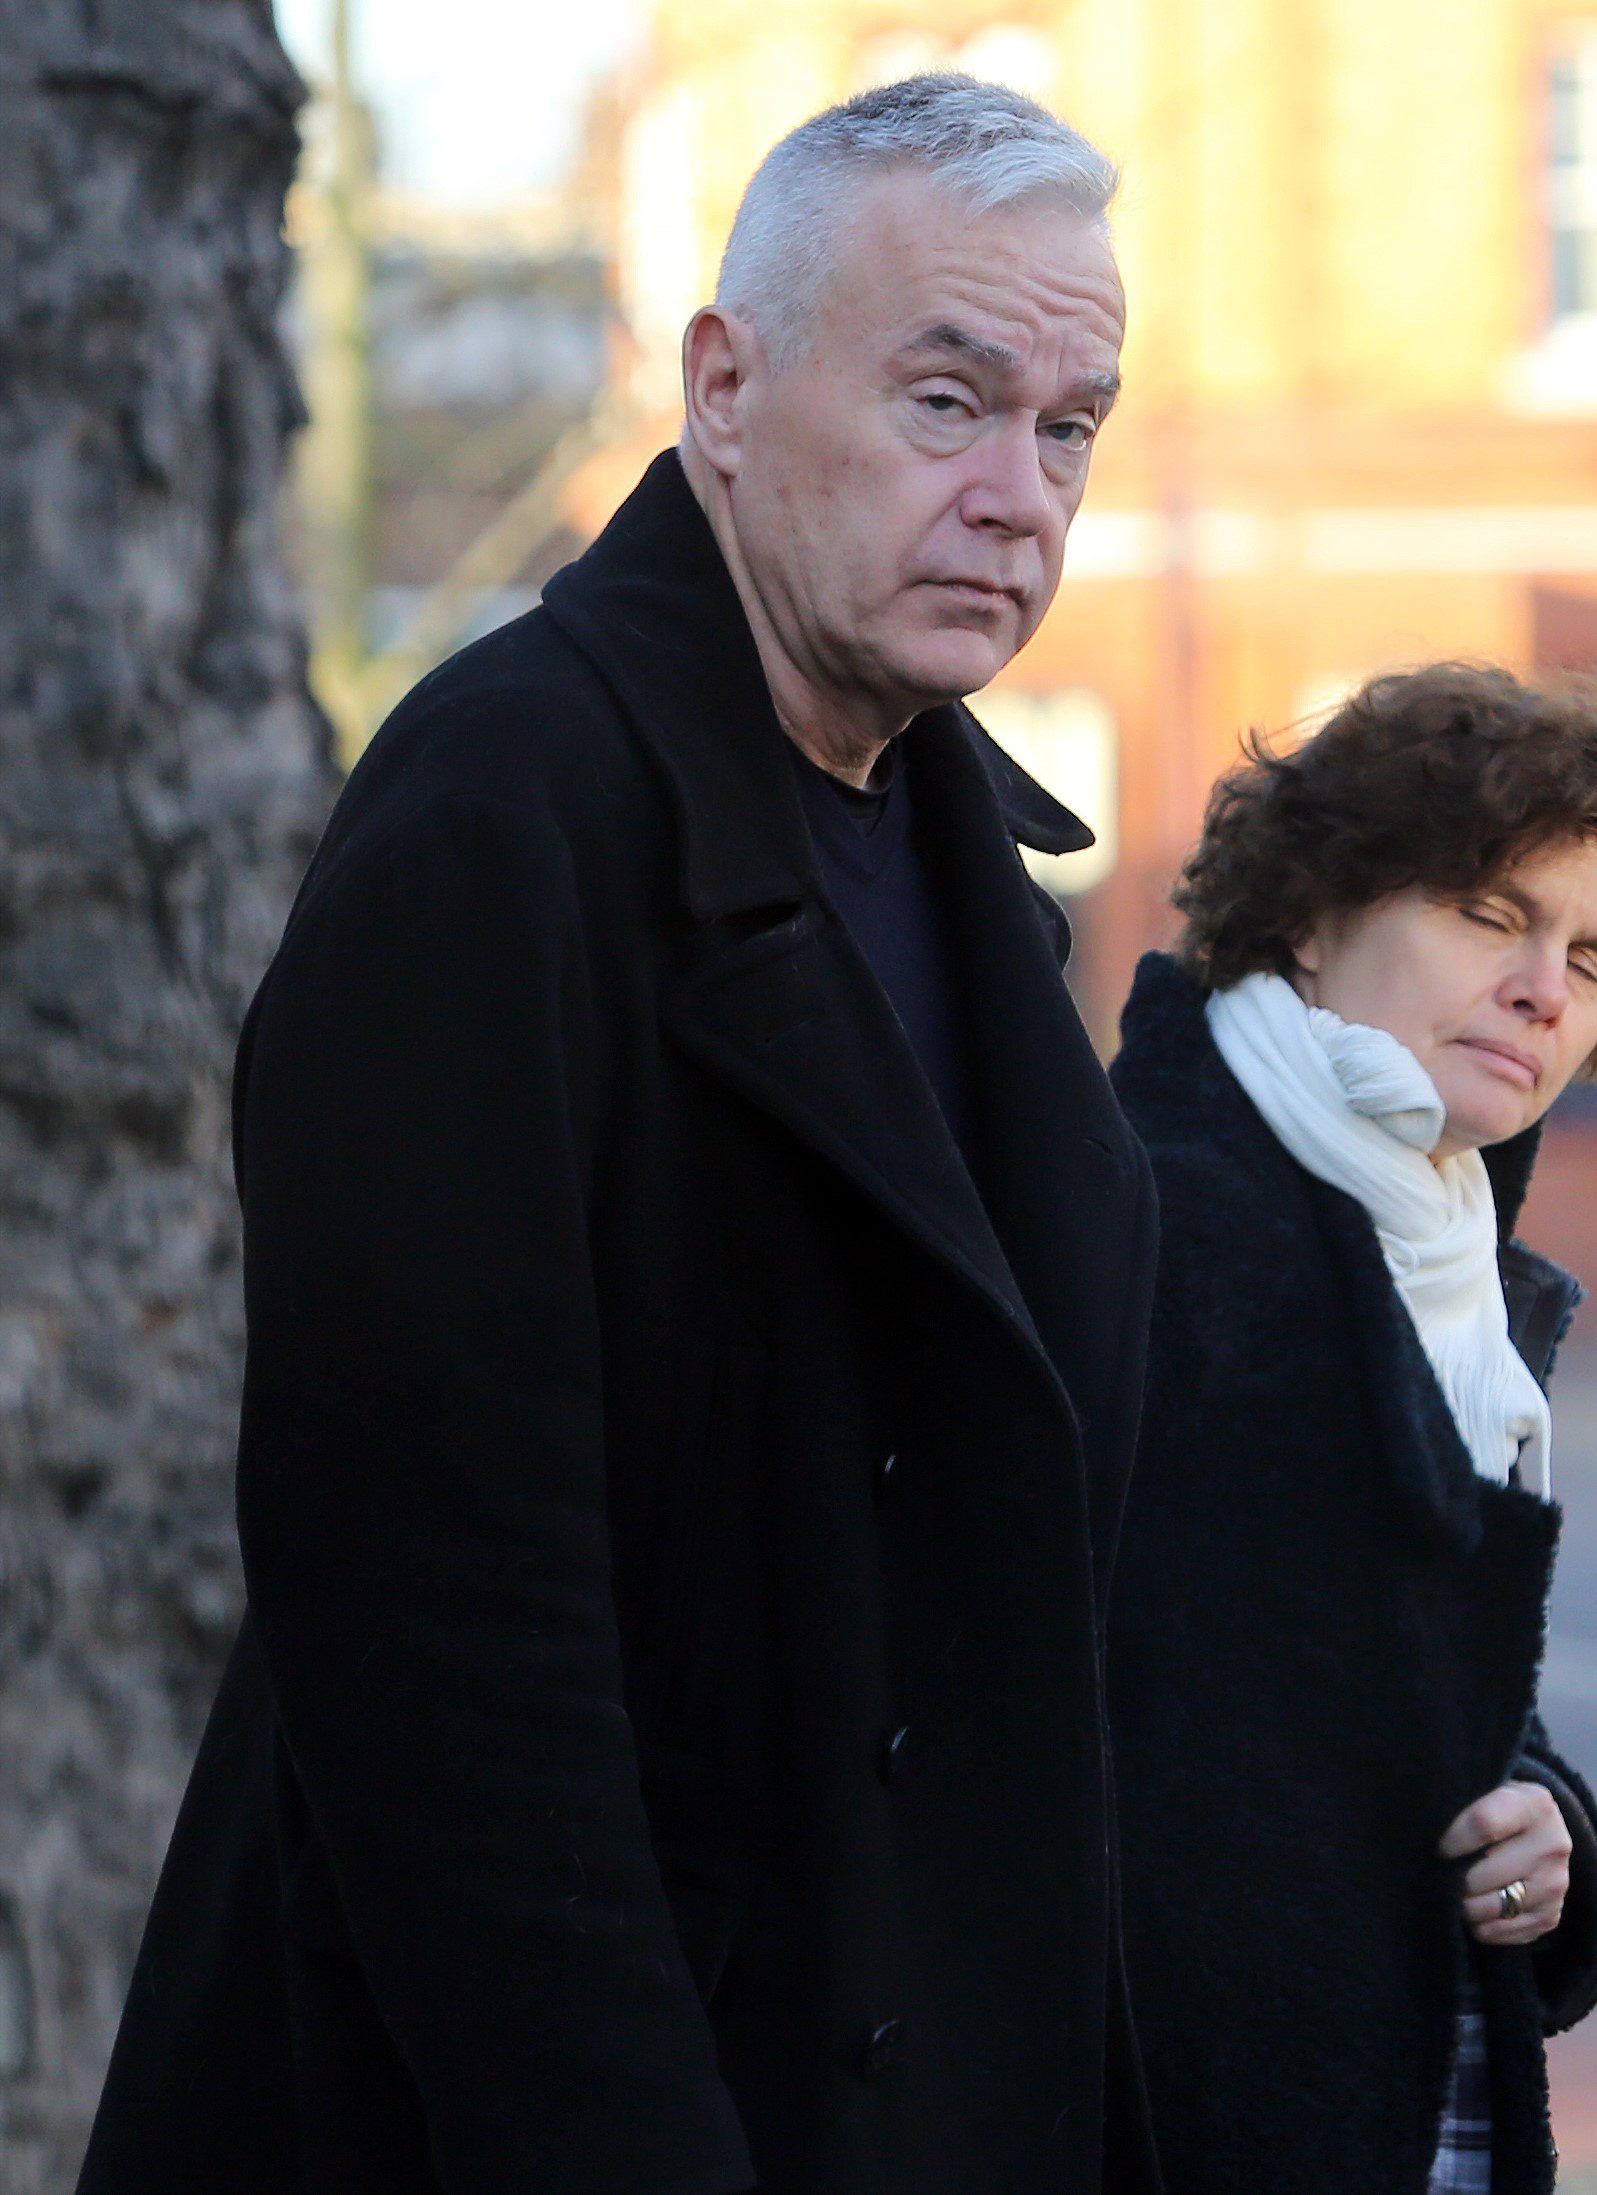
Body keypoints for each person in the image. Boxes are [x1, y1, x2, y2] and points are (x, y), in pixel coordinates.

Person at [81, 74, 1161, 2195]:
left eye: (1070, 429)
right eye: (948, 402)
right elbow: (438, 1644)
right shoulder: (499, 817)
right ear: (725, 391)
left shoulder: (971, 876)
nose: (1019, 497)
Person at [1105, 665, 1597, 2194]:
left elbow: (1432, 1706)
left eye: (1592, 957)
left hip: (1403, 2091)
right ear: (1312, 911)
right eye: (1490, 914)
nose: (1548, 990)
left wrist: (1553, 1841)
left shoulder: (1448, 1256)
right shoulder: (1143, 1225)